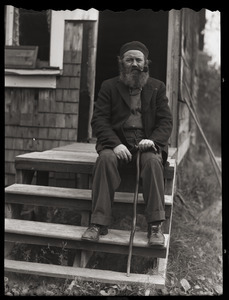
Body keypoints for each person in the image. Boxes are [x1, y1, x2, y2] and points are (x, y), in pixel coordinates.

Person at [81, 41, 173, 246]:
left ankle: (155, 226)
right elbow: (99, 121)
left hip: (146, 144)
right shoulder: (109, 86)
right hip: (118, 144)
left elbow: (166, 121)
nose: (134, 64)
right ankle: (98, 223)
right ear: (121, 63)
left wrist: (154, 141)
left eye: (138, 60)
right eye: (129, 59)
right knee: (105, 159)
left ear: (145, 63)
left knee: (152, 162)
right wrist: (114, 144)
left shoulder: (157, 87)